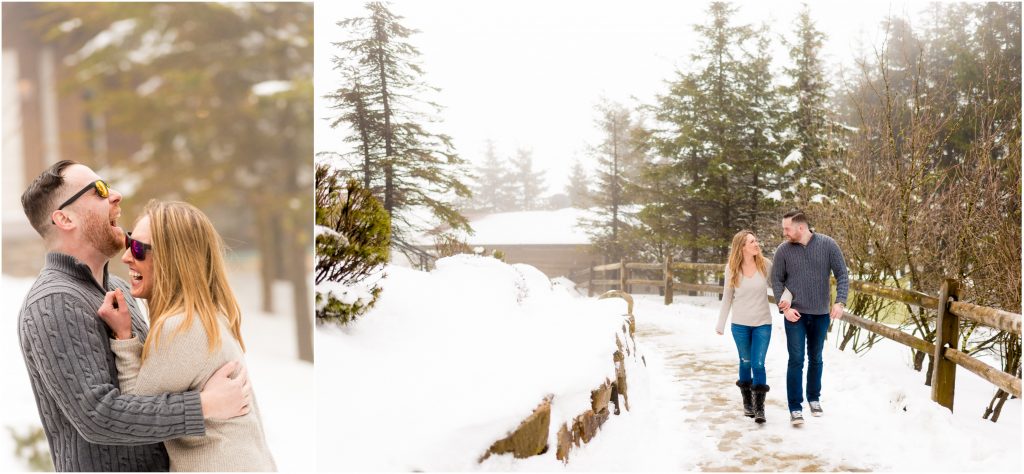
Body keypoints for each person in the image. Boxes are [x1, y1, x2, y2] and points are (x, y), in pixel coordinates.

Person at [17, 160, 251, 472]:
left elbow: (149, 384)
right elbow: (97, 416)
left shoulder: (120, 290)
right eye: (99, 191)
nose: (115, 195)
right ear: (64, 217)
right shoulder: (55, 301)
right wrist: (205, 406)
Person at [96, 200, 277, 471]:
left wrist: (124, 338)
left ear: (173, 258)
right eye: (129, 242)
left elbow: (136, 416)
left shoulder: (182, 327)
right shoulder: (209, 316)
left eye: (138, 248)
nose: (126, 256)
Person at [770, 210, 849, 426]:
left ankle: (814, 398)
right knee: (796, 360)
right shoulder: (783, 250)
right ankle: (795, 408)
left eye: (787, 228)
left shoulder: (828, 245)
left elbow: (842, 274)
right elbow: (776, 280)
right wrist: (785, 309)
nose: (784, 232)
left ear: (801, 228)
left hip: (821, 314)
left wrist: (840, 302)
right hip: (794, 314)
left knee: (816, 358)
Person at [716, 230, 791, 424]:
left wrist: (787, 300)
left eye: (756, 240)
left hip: (762, 324)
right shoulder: (731, 268)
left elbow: (781, 286)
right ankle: (747, 403)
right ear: (742, 247)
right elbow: (727, 298)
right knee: (746, 362)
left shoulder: (765, 265)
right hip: (739, 325)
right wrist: (720, 324)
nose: (757, 244)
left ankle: (759, 408)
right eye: (752, 242)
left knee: (758, 364)